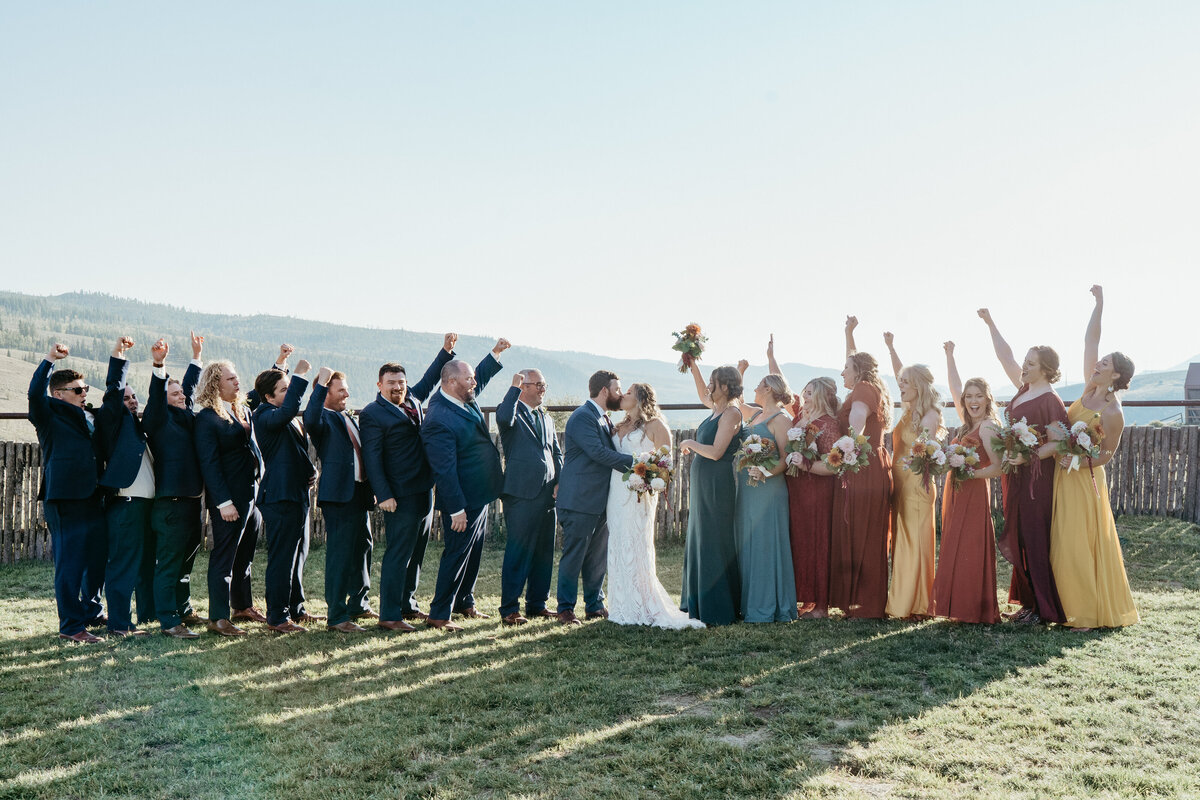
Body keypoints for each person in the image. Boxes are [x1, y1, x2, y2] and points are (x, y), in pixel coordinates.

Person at [1046, 286, 1139, 631]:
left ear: (1116, 375)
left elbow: (1108, 453)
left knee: (1078, 540)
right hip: (1063, 473)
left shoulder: (1114, 412)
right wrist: (1099, 304)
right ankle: (1068, 608)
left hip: (1085, 478)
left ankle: (1085, 614)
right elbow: (1090, 342)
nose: (1098, 364)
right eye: (1100, 363)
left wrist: (1079, 460)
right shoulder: (1087, 388)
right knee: (1062, 542)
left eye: (1105, 365)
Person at [359, 334, 457, 632]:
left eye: (400, 381)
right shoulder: (373, 414)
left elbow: (428, 382)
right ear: (380, 385)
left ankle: (407, 604)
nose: (397, 386)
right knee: (398, 554)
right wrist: (383, 494)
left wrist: (446, 353)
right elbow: (372, 458)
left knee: (417, 552)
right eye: (391, 382)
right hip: (398, 495)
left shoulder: (412, 400)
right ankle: (389, 615)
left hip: (423, 489)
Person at [978, 307, 1068, 625]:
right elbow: (1006, 358)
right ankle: (1029, 604)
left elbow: (1058, 442)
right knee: (1020, 537)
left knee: (1034, 538)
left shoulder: (1050, 400)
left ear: (1044, 370)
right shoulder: (1025, 389)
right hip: (1017, 475)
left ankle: (1044, 610)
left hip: (1037, 479)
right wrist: (990, 324)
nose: (1024, 368)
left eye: (1030, 364)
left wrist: (1028, 456)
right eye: (1026, 362)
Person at [421, 340, 509, 631]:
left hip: (479, 493)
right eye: (468, 378)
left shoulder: (461, 397)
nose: (474, 382)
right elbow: (444, 470)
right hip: (462, 499)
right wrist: (456, 508)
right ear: (450, 382)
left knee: (474, 551)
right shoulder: (439, 418)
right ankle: (439, 613)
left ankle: (464, 602)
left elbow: (478, 379)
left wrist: (495, 354)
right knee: (457, 553)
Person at [605, 382, 703, 629]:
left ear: (639, 399)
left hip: (640, 494)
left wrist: (645, 481)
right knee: (617, 542)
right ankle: (621, 605)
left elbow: (665, 464)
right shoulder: (618, 425)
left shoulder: (656, 425)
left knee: (636, 544)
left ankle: (642, 604)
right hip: (616, 492)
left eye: (627, 393)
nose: (622, 395)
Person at [28, 343, 108, 642]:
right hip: (64, 499)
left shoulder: (86, 416)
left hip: (93, 496)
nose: (84, 393)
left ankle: (92, 611)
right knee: (70, 563)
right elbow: (34, 393)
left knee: (97, 559)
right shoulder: (46, 413)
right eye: (77, 390)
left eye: (85, 388)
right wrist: (49, 359)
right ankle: (71, 627)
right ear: (58, 393)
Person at [554, 370, 636, 625]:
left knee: (596, 557)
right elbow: (598, 453)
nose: (620, 394)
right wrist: (638, 464)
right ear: (604, 391)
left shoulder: (603, 417)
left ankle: (594, 605)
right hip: (579, 500)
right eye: (617, 389)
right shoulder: (582, 417)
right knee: (574, 556)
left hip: (600, 501)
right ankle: (565, 609)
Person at [769, 336, 841, 619]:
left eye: (810, 392)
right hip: (796, 490)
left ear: (822, 396)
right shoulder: (802, 417)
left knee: (816, 542)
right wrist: (772, 357)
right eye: (805, 392)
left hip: (816, 492)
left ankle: (821, 606)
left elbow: (834, 466)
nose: (805, 396)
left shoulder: (829, 425)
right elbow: (783, 384)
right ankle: (806, 599)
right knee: (799, 541)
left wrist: (807, 465)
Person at [931, 343, 1003, 624]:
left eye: (978, 396)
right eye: (969, 397)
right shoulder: (967, 424)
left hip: (973, 490)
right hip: (957, 490)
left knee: (970, 545)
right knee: (954, 543)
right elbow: (954, 387)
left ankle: (972, 609)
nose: (973, 401)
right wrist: (949, 356)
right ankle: (957, 606)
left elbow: (998, 468)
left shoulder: (987, 426)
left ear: (987, 399)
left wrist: (967, 474)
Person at [829, 317, 893, 619]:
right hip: (867, 464)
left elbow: (857, 420)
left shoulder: (864, 389)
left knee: (862, 531)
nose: (842, 371)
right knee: (859, 530)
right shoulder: (865, 384)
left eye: (846, 368)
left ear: (858, 372)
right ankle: (859, 601)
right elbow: (854, 361)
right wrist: (848, 334)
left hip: (863, 466)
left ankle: (865, 604)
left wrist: (845, 449)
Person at [194, 358, 264, 636]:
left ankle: (242, 606)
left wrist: (281, 363)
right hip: (230, 501)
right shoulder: (207, 418)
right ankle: (219, 618)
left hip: (250, 496)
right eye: (231, 379)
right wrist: (223, 502)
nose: (237, 382)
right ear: (215, 385)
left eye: (236, 378)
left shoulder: (238, 410)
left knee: (244, 556)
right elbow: (209, 463)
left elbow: (259, 393)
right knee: (224, 557)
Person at [142, 334, 205, 639]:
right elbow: (157, 396)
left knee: (185, 564)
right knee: (168, 565)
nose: (181, 397)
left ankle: (184, 609)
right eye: (174, 393)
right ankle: (168, 621)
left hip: (193, 504)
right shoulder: (158, 420)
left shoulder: (185, 415)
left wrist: (196, 356)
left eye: (181, 393)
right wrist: (159, 364)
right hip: (171, 505)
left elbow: (191, 388)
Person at [93, 336, 156, 637]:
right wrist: (119, 357)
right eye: (126, 397)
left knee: (145, 564)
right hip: (126, 505)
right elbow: (114, 391)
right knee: (123, 565)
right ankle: (119, 624)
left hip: (146, 506)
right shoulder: (113, 423)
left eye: (134, 397)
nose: (131, 401)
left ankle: (146, 617)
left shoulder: (138, 429)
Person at [305, 367, 376, 633]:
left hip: (359, 493)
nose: (347, 393)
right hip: (339, 496)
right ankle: (337, 615)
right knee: (340, 554)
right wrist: (322, 382)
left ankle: (359, 603)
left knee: (363, 548)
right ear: (324, 393)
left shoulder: (348, 417)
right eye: (341, 389)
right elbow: (310, 417)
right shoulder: (321, 418)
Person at [880, 331, 944, 620]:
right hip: (900, 483)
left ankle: (917, 604)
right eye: (901, 382)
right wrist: (891, 347)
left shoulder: (930, 415)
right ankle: (905, 599)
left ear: (917, 387)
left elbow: (926, 452)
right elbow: (898, 374)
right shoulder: (908, 408)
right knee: (903, 539)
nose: (900, 386)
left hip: (917, 484)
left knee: (914, 540)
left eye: (906, 383)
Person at [252, 360, 318, 633]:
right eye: (284, 390)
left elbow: (291, 452)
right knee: (282, 558)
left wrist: (310, 470)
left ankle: (296, 608)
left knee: (298, 554)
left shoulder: (283, 417)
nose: (289, 395)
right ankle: (277, 617)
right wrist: (300, 375)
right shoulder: (264, 414)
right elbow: (291, 406)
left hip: (296, 493)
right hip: (279, 497)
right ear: (268, 396)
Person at [678, 362, 744, 625]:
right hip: (704, 482)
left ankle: (718, 607)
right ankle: (698, 602)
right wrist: (693, 366)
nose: (709, 387)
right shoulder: (716, 409)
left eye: (713, 382)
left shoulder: (731, 414)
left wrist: (690, 443)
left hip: (718, 483)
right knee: (700, 537)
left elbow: (717, 452)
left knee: (714, 539)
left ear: (725, 386)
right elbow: (701, 394)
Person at [496, 368, 563, 626]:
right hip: (522, 494)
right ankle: (509, 609)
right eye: (539, 385)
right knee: (519, 551)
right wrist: (512, 388)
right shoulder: (512, 413)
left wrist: (560, 481)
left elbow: (556, 452)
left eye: (544, 384)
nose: (543, 389)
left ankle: (537, 604)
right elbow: (502, 417)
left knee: (544, 551)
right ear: (523, 386)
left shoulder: (545, 417)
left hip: (548, 493)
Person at [733, 373, 798, 623]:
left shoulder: (781, 419)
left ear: (769, 389)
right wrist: (740, 370)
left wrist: (764, 471)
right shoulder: (755, 414)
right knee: (748, 542)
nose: (754, 388)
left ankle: (768, 606)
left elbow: (787, 458)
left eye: (759, 385)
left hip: (769, 489)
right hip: (748, 490)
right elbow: (734, 401)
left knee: (765, 543)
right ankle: (749, 604)